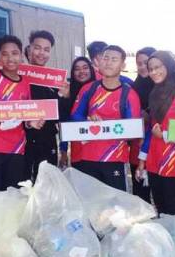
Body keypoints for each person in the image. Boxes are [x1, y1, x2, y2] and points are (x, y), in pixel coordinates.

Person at [0, 34, 44, 195]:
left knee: (12, 198)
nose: (10, 58)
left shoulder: (25, 83)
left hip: (17, 149)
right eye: (4, 54)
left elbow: (25, 114)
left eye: (14, 53)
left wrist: (30, 123)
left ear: (21, 55)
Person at [71, 45, 141, 191]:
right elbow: (75, 116)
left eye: (114, 59)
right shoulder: (88, 89)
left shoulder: (130, 94)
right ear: (99, 62)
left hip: (115, 158)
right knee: (88, 205)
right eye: (105, 58)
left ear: (122, 65)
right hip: (87, 157)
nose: (108, 62)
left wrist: (109, 126)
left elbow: (133, 130)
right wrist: (88, 122)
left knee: (114, 207)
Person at [136, 51, 175, 219]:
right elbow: (151, 129)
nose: (154, 72)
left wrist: (165, 135)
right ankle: (168, 245)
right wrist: (142, 160)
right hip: (154, 158)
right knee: (161, 207)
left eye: (158, 67)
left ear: (168, 66)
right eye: (151, 69)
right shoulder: (155, 93)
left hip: (174, 158)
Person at [24, 30, 70, 181]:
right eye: (37, 48)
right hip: (23, 141)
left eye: (46, 49)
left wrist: (64, 96)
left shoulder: (55, 80)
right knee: (25, 185)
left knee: (46, 184)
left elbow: (61, 114)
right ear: (29, 49)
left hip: (48, 140)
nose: (41, 53)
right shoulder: (18, 75)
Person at [59, 56, 97, 169]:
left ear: (91, 70)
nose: (81, 72)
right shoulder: (68, 92)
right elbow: (64, 123)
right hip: (78, 151)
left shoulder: (100, 89)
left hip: (100, 150)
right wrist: (64, 151)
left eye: (85, 68)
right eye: (77, 69)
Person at [129, 46, 156, 203]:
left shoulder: (164, 88)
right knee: (140, 191)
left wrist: (149, 116)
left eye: (146, 62)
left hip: (159, 143)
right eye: (138, 63)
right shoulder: (133, 87)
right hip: (137, 144)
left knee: (162, 192)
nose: (142, 67)